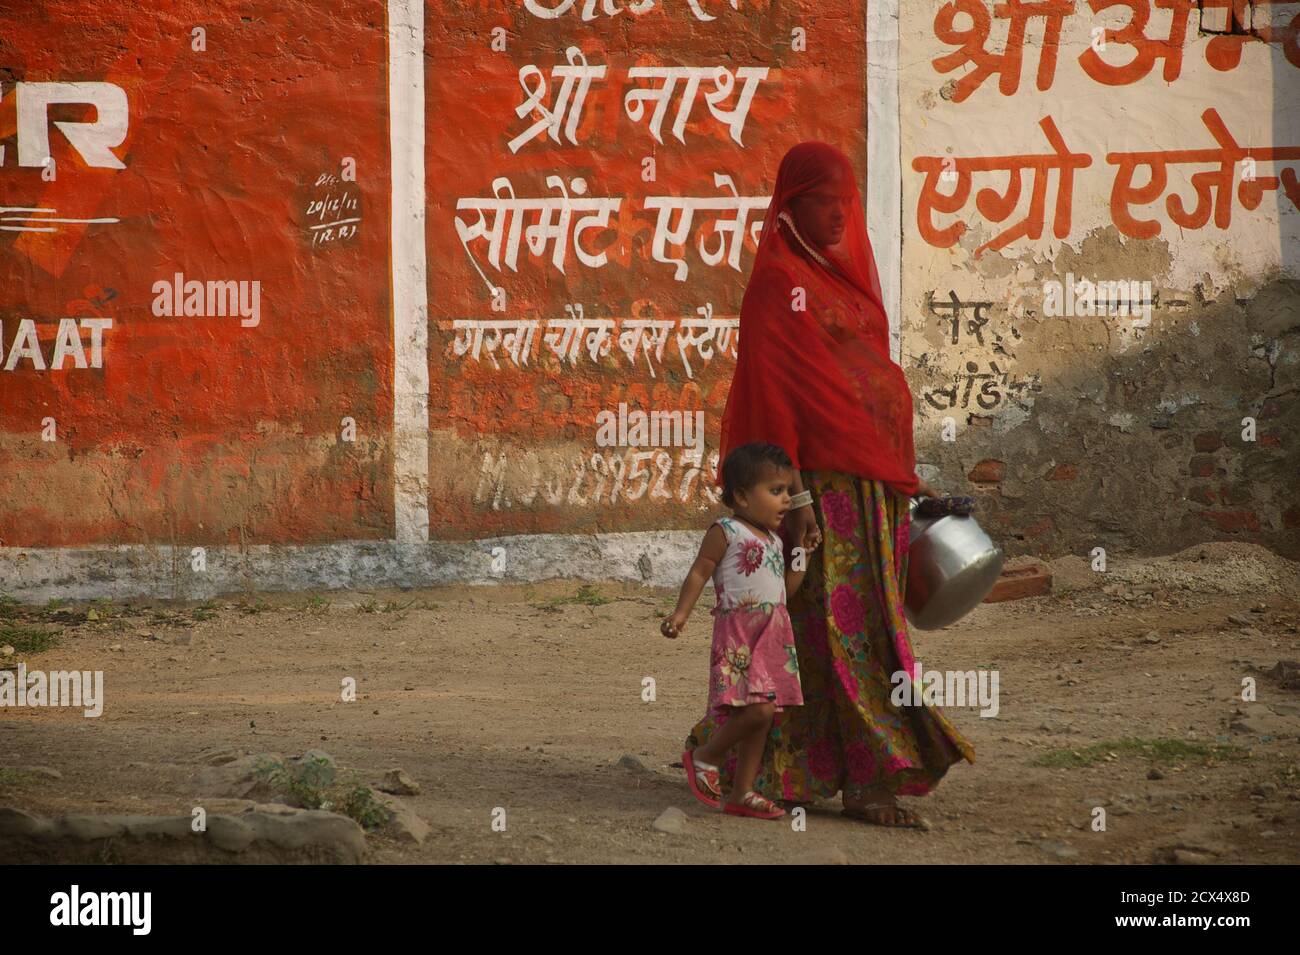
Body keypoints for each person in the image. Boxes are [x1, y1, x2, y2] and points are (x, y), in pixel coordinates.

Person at [685, 141, 976, 828]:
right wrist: (797, 501)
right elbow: (777, 398)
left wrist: (904, 478)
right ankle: (812, 772)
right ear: (791, 205)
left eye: (845, 204)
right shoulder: (778, 283)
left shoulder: (836, 278)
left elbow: (857, 376)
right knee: (824, 633)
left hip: (871, 493)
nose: (840, 217)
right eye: (824, 203)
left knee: (863, 628)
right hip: (817, 496)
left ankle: (838, 773)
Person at [661, 442, 808, 820]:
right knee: (757, 712)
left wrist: (802, 557)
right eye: (776, 491)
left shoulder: (776, 541)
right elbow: (699, 571)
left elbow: (783, 595)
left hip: (773, 634)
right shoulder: (726, 531)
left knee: (764, 712)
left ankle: (743, 792)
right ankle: (704, 757)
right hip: (740, 634)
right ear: (742, 495)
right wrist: (681, 613)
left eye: (789, 491)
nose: (787, 500)